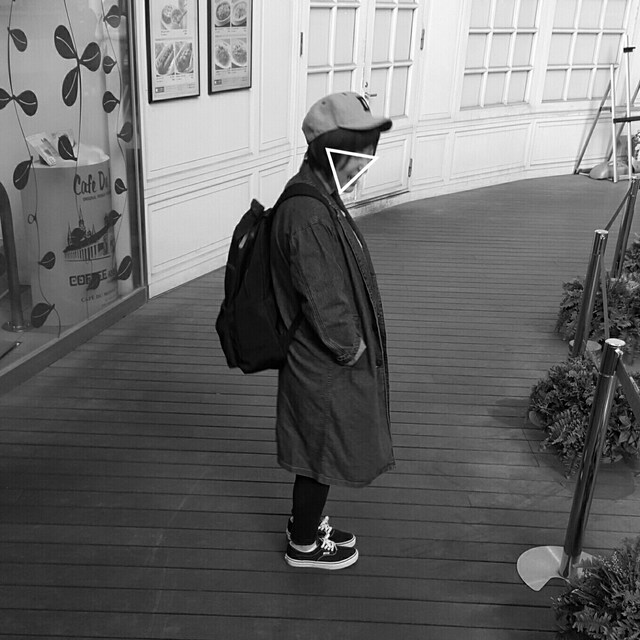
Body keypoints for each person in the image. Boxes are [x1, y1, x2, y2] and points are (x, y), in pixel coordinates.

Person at [270, 92, 395, 570]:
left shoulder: (318, 192)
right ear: (333, 151)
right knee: (317, 452)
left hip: (318, 355)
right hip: (321, 361)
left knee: (317, 447)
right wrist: (353, 349)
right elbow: (324, 299)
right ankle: (303, 545)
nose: (365, 161)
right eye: (360, 151)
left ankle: (303, 525)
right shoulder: (308, 213)